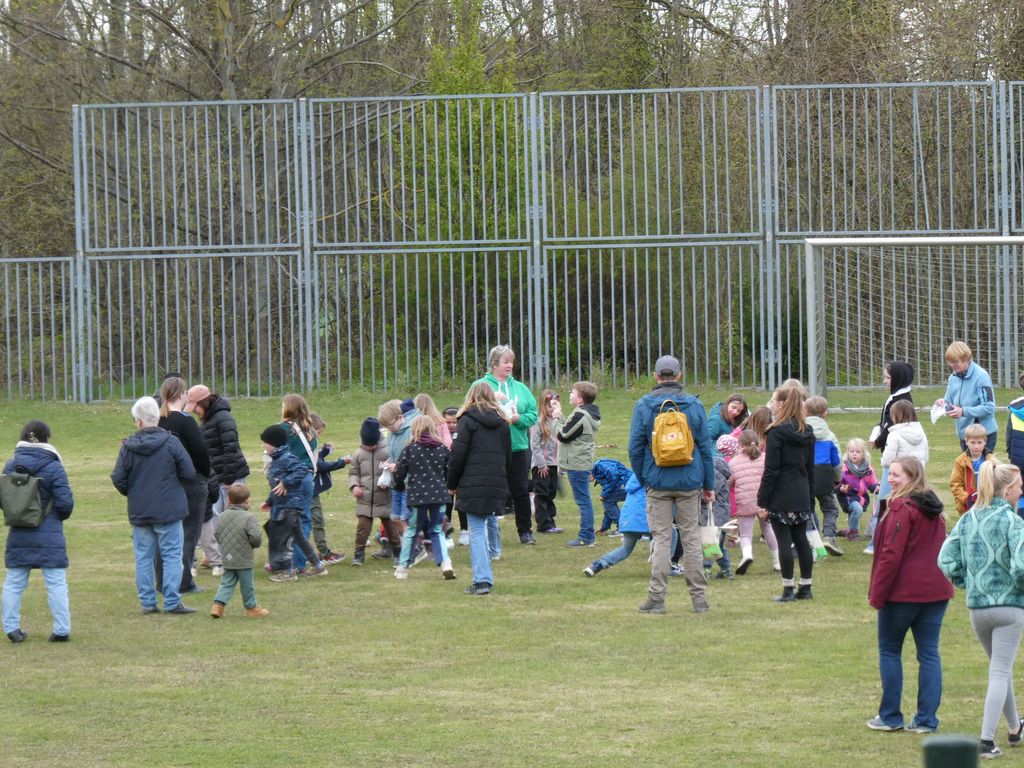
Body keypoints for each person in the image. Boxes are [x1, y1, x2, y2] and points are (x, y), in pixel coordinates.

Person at [938, 461, 1024, 759]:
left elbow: (945, 558)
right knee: (1000, 671)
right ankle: (986, 741)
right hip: (1008, 606)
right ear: (1007, 490)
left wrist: (968, 582)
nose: (1022, 491)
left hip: (978, 608)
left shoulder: (969, 518)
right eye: (1019, 486)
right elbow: (1021, 566)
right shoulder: (1013, 521)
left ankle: (1014, 727)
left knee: (1000, 668)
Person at [866, 457, 952, 734]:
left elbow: (890, 555)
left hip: (903, 593)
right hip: (935, 590)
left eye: (896, 475)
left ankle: (890, 716)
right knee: (929, 653)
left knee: (890, 650)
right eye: (890, 474)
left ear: (912, 478)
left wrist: (877, 594)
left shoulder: (902, 509)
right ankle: (926, 719)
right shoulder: (935, 510)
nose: (890, 479)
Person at [628, 355, 715, 615]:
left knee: (662, 539)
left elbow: (635, 448)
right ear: (678, 376)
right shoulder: (694, 405)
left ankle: (657, 598)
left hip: (657, 481)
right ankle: (699, 600)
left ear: (656, 376)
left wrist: (644, 478)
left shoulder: (644, 405)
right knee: (691, 539)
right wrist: (709, 484)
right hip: (689, 481)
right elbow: (705, 448)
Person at [111, 396, 197, 614]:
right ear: (157, 418)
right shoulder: (171, 443)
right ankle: (171, 601)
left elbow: (118, 477)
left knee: (143, 557)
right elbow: (189, 472)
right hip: (169, 508)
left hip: (141, 509)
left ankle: (148, 602)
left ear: (139, 421)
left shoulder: (128, 447)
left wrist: (133, 493)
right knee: (172, 556)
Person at [2, 421, 75, 643]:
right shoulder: (54, 467)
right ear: (46, 439)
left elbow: (5, 499)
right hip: (49, 533)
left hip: (19, 531)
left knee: (14, 582)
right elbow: (65, 504)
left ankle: (11, 629)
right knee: (56, 583)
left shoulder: (11, 466)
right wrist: (54, 518)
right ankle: (61, 630)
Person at [447, 382, 512, 596]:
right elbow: (508, 456)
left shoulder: (466, 421)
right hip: (495, 481)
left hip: (473, 482)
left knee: (476, 531)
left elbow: (457, 456)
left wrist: (451, 484)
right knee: (485, 526)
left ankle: (482, 580)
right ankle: (485, 574)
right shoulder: (503, 422)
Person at [473, 345, 539, 545]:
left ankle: (525, 531)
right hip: (490, 448)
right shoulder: (481, 385)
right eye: (505, 361)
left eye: (511, 361)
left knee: (520, 490)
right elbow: (471, 410)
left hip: (517, 446)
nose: (510, 365)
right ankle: (490, 532)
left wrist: (518, 419)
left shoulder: (521, 388)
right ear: (494, 364)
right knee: (492, 489)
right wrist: (491, 401)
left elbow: (533, 414)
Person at [757, 382, 816, 603]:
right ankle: (806, 587)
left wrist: (762, 498)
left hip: (781, 492)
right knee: (801, 539)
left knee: (784, 540)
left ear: (782, 404)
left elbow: (771, 469)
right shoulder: (807, 432)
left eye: (774, 401)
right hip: (801, 490)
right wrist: (810, 497)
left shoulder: (775, 433)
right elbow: (810, 468)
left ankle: (788, 589)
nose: (772, 405)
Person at [185, 384, 250, 578]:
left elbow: (230, 448)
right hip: (216, 475)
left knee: (230, 518)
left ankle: (232, 556)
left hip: (230, 475)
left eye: (196, 407)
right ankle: (217, 556)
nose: (195, 411)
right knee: (215, 517)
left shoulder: (223, 418)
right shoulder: (208, 418)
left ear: (203, 402)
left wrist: (229, 480)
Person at [157, 376, 212, 592]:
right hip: (190, 481)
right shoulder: (186, 421)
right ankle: (184, 581)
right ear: (182, 394)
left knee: (165, 534)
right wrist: (205, 476)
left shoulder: (159, 420)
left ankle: (162, 581)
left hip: (165, 482)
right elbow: (200, 453)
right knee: (188, 532)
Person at [260, 424, 327, 581]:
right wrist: (270, 501)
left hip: (289, 506)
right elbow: (276, 485)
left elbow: (302, 469)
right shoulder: (277, 460)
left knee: (283, 539)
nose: (263, 446)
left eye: (265, 443)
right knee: (299, 537)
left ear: (275, 444)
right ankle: (318, 566)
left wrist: (286, 482)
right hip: (283, 505)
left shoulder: (286, 458)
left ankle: (288, 572)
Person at [393, 416, 455, 580]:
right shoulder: (442, 448)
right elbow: (451, 469)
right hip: (439, 496)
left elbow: (399, 473)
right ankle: (445, 563)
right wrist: (449, 485)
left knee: (412, 531)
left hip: (418, 497)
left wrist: (398, 486)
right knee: (437, 530)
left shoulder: (410, 449)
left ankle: (403, 567)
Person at [348, 418, 403, 566]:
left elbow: (396, 470)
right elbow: (353, 473)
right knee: (362, 528)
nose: (369, 447)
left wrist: (390, 482)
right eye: (367, 444)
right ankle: (358, 554)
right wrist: (354, 486)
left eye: (372, 444)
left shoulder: (388, 451)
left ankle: (397, 552)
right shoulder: (358, 454)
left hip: (385, 498)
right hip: (365, 499)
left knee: (391, 527)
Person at [210, 484, 269, 619]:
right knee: (247, 584)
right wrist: (254, 544)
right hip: (244, 558)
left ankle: (217, 606)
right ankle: (251, 607)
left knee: (227, 582)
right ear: (247, 500)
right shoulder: (249, 517)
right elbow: (256, 537)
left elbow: (217, 534)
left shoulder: (222, 516)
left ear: (229, 499)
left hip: (227, 556)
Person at [558, 381, 601, 548]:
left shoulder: (580, 415)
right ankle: (588, 535)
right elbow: (571, 430)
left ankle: (586, 536)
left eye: (572, 393)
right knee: (584, 500)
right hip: (581, 463)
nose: (570, 394)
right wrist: (560, 415)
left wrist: (556, 418)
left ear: (580, 399)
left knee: (583, 501)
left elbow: (563, 435)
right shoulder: (586, 413)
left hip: (577, 464)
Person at [279, 394, 319, 574]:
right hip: (308, 477)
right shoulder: (310, 430)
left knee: (288, 521)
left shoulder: (282, 430)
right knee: (304, 520)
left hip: (291, 478)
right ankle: (300, 563)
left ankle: (290, 563)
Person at [583, 472, 648, 576]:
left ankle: (597, 565)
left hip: (628, 522)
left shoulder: (632, 483)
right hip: (646, 521)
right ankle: (669, 566)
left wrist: (604, 527)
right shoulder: (653, 483)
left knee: (625, 549)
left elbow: (609, 510)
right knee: (670, 535)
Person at [937, 341, 997, 453]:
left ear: (967, 359)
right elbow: (949, 403)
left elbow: (989, 407)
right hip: (965, 435)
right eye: (950, 362)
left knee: (982, 465)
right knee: (967, 464)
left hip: (983, 435)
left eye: (956, 362)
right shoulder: (953, 378)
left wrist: (963, 411)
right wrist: (943, 404)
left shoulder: (981, 377)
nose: (952, 365)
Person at [309, 412, 349, 565]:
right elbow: (319, 465)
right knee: (317, 520)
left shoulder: (307, 443)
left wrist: (325, 450)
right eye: (318, 433)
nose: (319, 436)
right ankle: (324, 553)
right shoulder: (307, 444)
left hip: (308, 488)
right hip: (309, 490)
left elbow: (317, 457)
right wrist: (341, 462)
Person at [804, 395, 842, 555]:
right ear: (825, 413)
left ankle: (810, 541)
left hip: (805, 475)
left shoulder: (800, 433)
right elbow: (837, 461)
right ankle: (829, 536)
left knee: (807, 509)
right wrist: (837, 479)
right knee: (830, 508)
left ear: (805, 411)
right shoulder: (829, 436)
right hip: (825, 475)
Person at [729, 429, 769, 575]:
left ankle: (747, 554)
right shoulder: (766, 459)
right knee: (768, 529)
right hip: (764, 501)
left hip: (744, 502)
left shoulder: (733, 462)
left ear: (740, 444)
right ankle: (778, 560)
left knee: (745, 533)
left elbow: (730, 482)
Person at [702, 434, 735, 580]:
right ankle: (726, 570)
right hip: (721, 516)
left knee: (709, 543)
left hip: (713, 516)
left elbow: (709, 494)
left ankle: (706, 569)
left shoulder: (714, 475)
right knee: (719, 545)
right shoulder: (721, 473)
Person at [530, 389, 563, 534]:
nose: (552, 409)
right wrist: (541, 464)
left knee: (551, 493)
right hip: (541, 465)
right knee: (542, 493)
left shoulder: (558, 421)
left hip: (554, 463)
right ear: (543, 406)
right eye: (549, 406)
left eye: (555, 405)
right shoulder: (538, 422)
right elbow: (535, 445)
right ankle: (543, 524)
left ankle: (551, 521)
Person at [837, 438, 878, 540]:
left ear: (863, 453)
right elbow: (837, 481)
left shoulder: (867, 468)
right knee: (857, 510)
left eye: (858, 452)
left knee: (855, 516)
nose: (854, 454)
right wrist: (841, 488)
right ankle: (852, 533)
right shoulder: (844, 466)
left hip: (861, 497)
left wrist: (876, 488)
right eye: (851, 451)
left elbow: (871, 483)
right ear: (848, 452)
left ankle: (848, 531)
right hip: (848, 496)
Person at [951, 423, 996, 516]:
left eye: (979, 442)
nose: (976, 446)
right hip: (968, 507)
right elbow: (955, 484)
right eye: (973, 442)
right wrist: (968, 499)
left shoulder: (991, 461)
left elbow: (998, 482)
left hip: (988, 504)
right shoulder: (960, 462)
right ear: (966, 441)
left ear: (985, 442)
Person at [1007, 374, 1024, 517]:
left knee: (1020, 494)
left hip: (1018, 461)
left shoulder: (1015, 409)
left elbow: (1009, 437)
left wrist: (1012, 457)